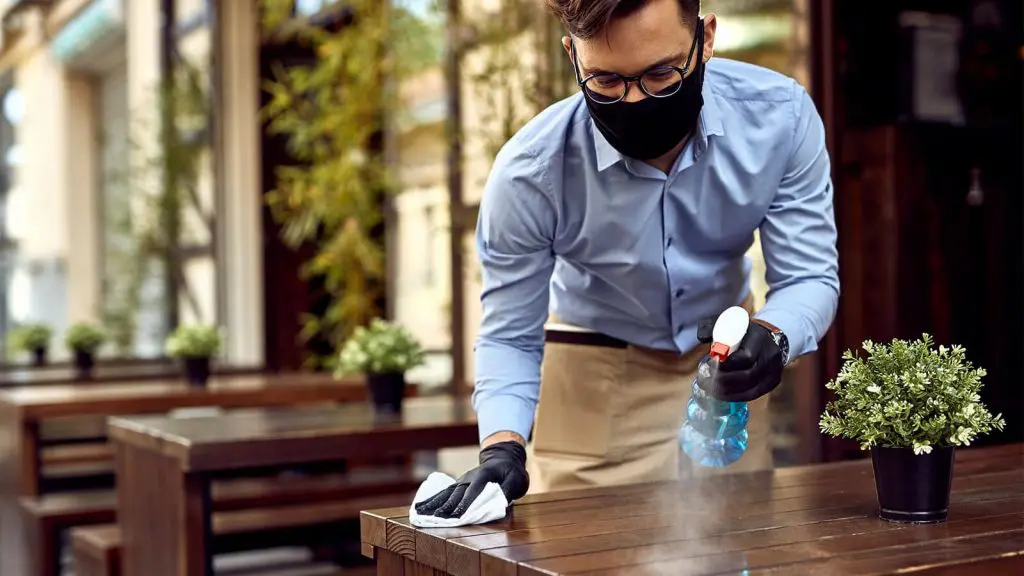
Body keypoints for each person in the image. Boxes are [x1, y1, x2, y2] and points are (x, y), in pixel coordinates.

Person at [415, 0, 839, 520]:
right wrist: (502, 445)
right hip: (594, 382)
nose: (636, 100)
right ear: (572, 55)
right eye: (607, 82)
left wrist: (773, 336)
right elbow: (508, 333)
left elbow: (810, 276)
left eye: (661, 74)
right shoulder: (531, 172)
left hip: (726, 375)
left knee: (736, 549)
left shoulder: (780, 119)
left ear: (705, 39)